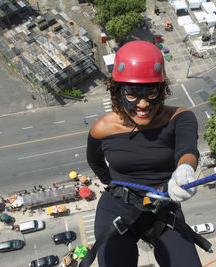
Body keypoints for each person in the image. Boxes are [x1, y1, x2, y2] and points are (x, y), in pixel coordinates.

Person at [84, 41, 206, 267]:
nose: (142, 104)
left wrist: (185, 168)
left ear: (162, 91)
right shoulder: (104, 128)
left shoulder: (179, 118)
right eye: (132, 94)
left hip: (163, 208)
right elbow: (95, 161)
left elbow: (187, 150)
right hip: (117, 207)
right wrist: (113, 185)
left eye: (151, 93)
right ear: (118, 92)